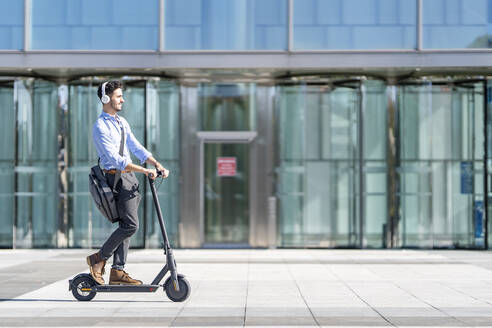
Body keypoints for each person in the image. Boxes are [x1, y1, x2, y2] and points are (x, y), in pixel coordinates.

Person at [87, 80, 169, 285]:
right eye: (118, 96)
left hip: (129, 179)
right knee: (131, 225)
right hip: (116, 177)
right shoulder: (100, 127)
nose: (122, 99)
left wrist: (155, 163)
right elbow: (117, 160)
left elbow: (136, 146)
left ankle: (117, 271)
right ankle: (98, 259)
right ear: (106, 99)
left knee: (127, 224)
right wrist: (144, 170)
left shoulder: (122, 123)